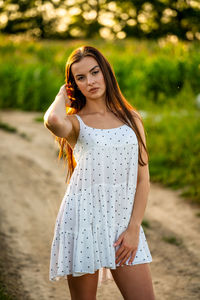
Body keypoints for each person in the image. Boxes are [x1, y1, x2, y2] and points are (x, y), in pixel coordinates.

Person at [43, 45, 155, 300]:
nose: (90, 81)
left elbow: (142, 178)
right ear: (74, 85)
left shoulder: (132, 119)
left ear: (106, 72)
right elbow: (52, 121)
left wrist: (134, 228)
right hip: (83, 221)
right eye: (80, 78)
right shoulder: (75, 123)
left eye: (95, 72)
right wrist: (63, 94)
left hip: (123, 223)